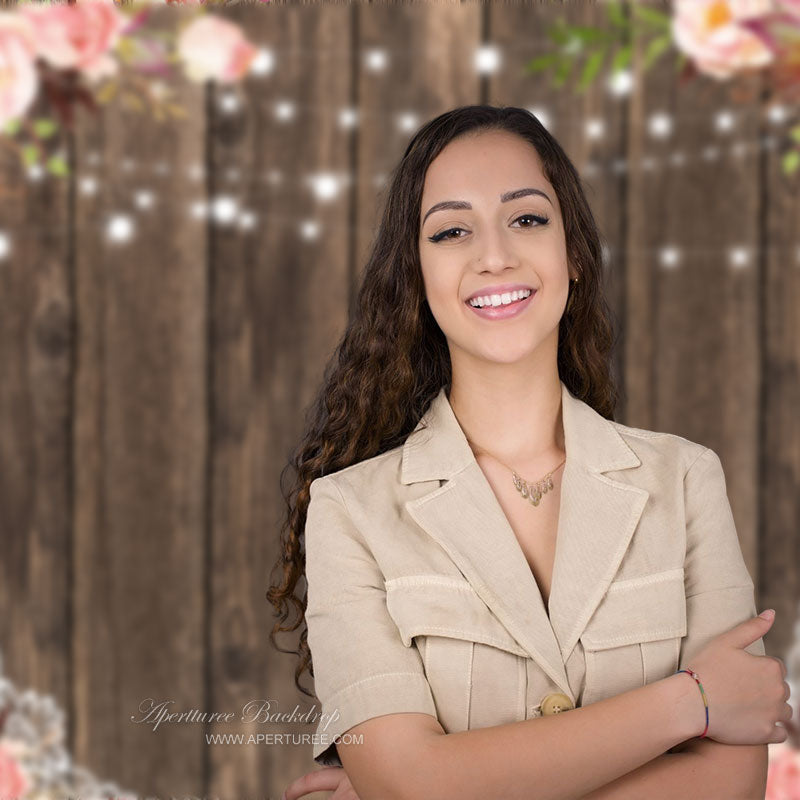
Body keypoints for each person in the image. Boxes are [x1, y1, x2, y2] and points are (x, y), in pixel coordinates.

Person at [268, 105, 793, 800]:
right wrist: (689, 703)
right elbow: (410, 785)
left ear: (572, 252)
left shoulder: (687, 481)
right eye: (452, 231)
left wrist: (440, 785)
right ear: (416, 278)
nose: (495, 256)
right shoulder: (349, 512)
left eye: (527, 219)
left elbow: (729, 787)